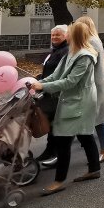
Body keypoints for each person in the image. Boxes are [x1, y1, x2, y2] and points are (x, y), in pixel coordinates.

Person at [30, 22, 100, 195]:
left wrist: (43, 87)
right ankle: (94, 169)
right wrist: (39, 83)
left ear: (74, 35)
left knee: (63, 140)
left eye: (68, 33)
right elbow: (56, 75)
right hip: (73, 101)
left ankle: (59, 181)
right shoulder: (71, 52)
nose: (65, 35)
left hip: (78, 102)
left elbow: (70, 82)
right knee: (85, 135)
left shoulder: (84, 56)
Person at [76, 16, 104, 163]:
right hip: (95, 85)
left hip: (93, 86)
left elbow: (86, 65)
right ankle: (103, 148)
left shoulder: (91, 42)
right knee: (98, 119)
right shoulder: (93, 40)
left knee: (98, 119)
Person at [35, 25, 70, 167]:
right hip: (48, 91)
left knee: (57, 125)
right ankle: (50, 150)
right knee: (51, 123)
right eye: (53, 35)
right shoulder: (55, 51)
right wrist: (41, 78)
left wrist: (45, 84)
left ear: (66, 36)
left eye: (58, 35)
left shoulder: (65, 52)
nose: (54, 37)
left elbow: (61, 74)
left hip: (56, 93)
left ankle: (57, 155)